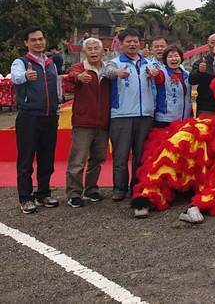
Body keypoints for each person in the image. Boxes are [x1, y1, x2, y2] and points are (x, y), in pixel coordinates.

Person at [11, 27, 61, 213]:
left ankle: (43, 193)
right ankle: (25, 198)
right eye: (33, 40)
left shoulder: (51, 62)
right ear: (26, 43)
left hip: (49, 116)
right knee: (26, 159)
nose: (38, 42)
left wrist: (57, 107)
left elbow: (57, 86)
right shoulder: (21, 62)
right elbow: (15, 77)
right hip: (29, 117)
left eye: (41, 39)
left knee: (47, 158)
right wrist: (25, 76)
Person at [107, 28, 159, 202]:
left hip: (145, 115)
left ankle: (137, 186)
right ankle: (119, 188)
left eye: (135, 41)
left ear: (140, 43)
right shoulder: (115, 63)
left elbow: (158, 76)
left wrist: (156, 74)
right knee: (121, 155)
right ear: (121, 44)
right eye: (128, 41)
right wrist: (116, 73)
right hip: (121, 115)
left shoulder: (149, 63)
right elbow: (104, 73)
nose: (132, 44)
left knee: (141, 154)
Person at [64, 38, 110, 208]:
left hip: (103, 122)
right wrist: (79, 77)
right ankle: (74, 193)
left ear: (102, 51)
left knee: (98, 159)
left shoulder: (107, 69)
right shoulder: (80, 68)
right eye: (89, 49)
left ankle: (91, 189)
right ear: (84, 53)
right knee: (77, 160)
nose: (93, 52)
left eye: (96, 48)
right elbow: (72, 75)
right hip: (83, 122)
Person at [154, 46, 193, 127]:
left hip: (185, 118)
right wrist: (154, 73)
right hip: (165, 119)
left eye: (176, 56)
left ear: (181, 58)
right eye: (170, 56)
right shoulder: (162, 73)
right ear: (165, 60)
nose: (173, 59)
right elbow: (157, 78)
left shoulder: (187, 74)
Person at [189, 33, 215, 116]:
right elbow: (191, 81)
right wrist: (199, 72)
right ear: (208, 45)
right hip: (206, 108)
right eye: (213, 42)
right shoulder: (201, 62)